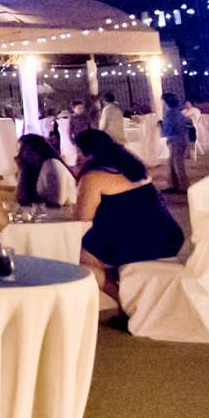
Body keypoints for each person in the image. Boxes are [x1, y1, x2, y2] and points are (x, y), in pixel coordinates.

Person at [72, 128, 184, 303]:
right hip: (168, 235)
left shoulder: (94, 177)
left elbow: (83, 217)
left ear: (87, 152)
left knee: (76, 258)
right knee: (96, 245)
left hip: (143, 242)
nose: (77, 156)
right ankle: (133, 296)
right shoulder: (133, 167)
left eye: (78, 151)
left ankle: (126, 302)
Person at [16, 132, 73, 209]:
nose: (19, 155)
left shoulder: (51, 164)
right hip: (50, 216)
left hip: (66, 217)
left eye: (23, 150)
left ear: (36, 150)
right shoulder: (35, 169)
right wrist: (23, 171)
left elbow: (56, 202)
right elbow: (22, 199)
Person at [159, 92, 196, 192]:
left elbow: (168, 128)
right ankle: (174, 185)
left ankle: (183, 186)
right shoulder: (177, 112)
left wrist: (161, 126)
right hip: (182, 139)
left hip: (176, 140)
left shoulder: (170, 113)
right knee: (172, 163)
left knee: (177, 164)